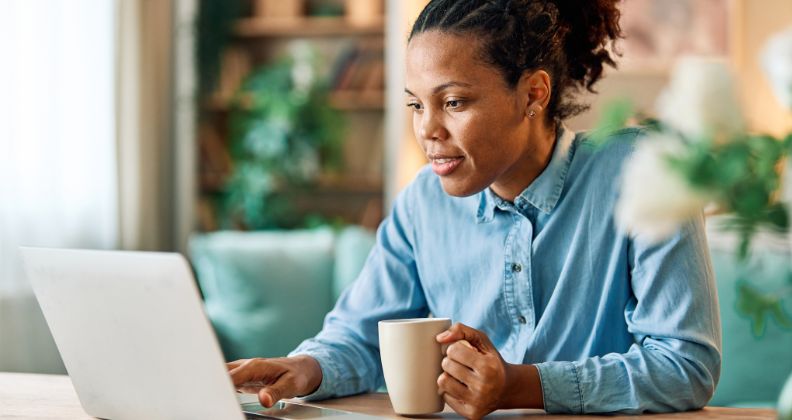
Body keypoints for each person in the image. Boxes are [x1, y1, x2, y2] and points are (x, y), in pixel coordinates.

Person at [227, 0, 722, 417]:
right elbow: (361, 339)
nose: (427, 130)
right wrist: (305, 368)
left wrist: (522, 385)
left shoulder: (642, 172)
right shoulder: (421, 204)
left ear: (533, 93)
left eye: (455, 102)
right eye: (416, 105)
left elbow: (685, 364)